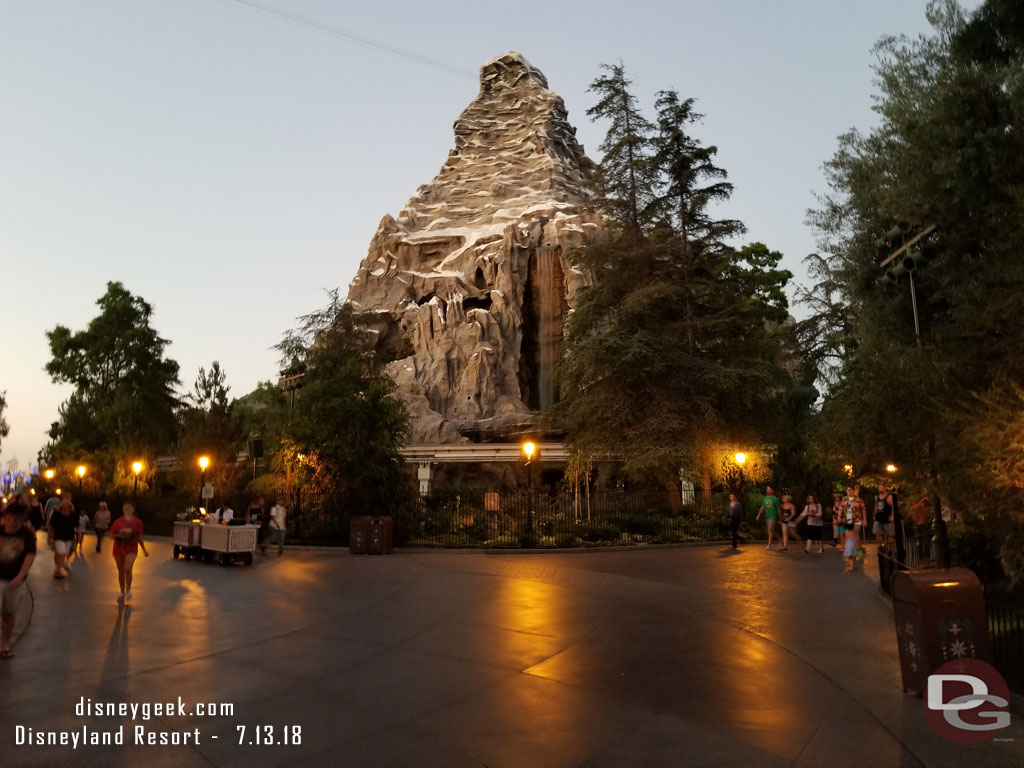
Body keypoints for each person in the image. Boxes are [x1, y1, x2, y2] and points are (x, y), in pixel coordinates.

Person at [0, 503, 36, 658]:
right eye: (11, 518)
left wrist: (20, 576)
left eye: (18, 519)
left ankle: (4, 644)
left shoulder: (26, 535)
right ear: (5, 518)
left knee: (9, 613)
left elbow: (30, 556)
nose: (14, 522)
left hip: (15, 581)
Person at [109, 502, 148, 603]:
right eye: (125, 508)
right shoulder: (118, 521)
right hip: (118, 548)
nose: (127, 509)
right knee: (121, 570)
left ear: (133, 509)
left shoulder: (137, 522)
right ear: (123, 509)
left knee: (128, 568)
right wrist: (120, 535)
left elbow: (139, 537)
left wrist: (144, 549)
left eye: (129, 507)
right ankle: (122, 592)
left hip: (131, 547)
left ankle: (128, 590)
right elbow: (112, 535)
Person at [47, 499, 77, 578]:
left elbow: (77, 525)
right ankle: (59, 570)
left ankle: (59, 566)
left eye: (68, 506)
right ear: (62, 506)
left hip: (69, 537)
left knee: (64, 552)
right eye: (65, 505)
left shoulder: (73, 514)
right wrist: (49, 537)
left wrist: (79, 534)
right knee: (61, 551)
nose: (67, 507)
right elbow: (51, 525)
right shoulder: (56, 514)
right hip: (58, 536)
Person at [841, 486, 866, 572]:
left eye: (850, 490)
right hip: (848, 522)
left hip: (856, 520)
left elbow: (863, 509)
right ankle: (854, 554)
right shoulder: (844, 499)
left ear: (853, 491)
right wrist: (839, 517)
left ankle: (857, 554)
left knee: (855, 536)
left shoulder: (858, 499)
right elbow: (841, 508)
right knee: (850, 539)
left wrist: (865, 519)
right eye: (847, 490)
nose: (849, 491)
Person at [755, 486, 781, 551]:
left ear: (772, 491)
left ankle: (769, 545)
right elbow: (762, 507)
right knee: (772, 530)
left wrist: (780, 518)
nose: (767, 490)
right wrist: (758, 515)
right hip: (767, 516)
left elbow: (778, 509)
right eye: (767, 489)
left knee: (770, 530)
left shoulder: (775, 499)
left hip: (773, 516)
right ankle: (780, 540)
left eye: (769, 489)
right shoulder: (765, 498)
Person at [873, 484, 896, 549]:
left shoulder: (889, 496)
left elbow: (893, 507)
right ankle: (883, 546)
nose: (879, 488)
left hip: (887, 516)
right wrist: (874, 514)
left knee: (890, 535)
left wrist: (892, 515)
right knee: (876, 532)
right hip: (878, 517)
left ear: (885, 488)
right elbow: (876, 506)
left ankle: (890, 549)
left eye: (881, 487)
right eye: (879, 487)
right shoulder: (876, 497)